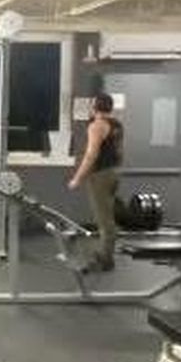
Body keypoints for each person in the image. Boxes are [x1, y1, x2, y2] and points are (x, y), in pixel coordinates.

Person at [68, 92, 123, 271]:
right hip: (114, 173)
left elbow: (91, 155)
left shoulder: (97, 126)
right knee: (107, 217)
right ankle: (105, 254)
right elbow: (119, 151)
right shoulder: (117, 125)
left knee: (104, 220)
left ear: (95, 107)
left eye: (92, 105)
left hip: (100, 176)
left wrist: (77, 178)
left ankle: (106, 260)